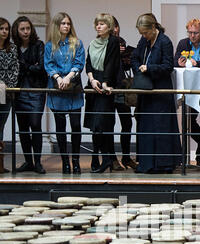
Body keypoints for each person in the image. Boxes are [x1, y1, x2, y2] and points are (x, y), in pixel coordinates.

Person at [131, 13, 181, 174]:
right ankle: (146, 164)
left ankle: (164, 164)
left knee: (161, 127)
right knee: (146, 127)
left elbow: (168, 66)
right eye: (141, 33)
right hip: (147, 90)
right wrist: (139, 67)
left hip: (161, 91)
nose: (144, 36)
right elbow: (134, 58)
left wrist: (149, 68)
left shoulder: (165, 42)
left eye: (145, 32)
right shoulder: (143, 41)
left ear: (153, 28)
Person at [44, 12, 85, 174]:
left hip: (73, 88)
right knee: (60, 128)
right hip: (57, 89)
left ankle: (76, 161)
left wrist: (67, 77)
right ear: (57, 25)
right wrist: (58, 78)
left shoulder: (77, 43)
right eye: (63, 23)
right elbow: (48, 64)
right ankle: (65, 162)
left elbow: (79, 63)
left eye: (68, 23)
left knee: (76, 126)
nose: (66, 26)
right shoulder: (49, 45)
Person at [174, 19, 200, 168]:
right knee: (194, 127)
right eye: (190, 32)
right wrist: (178, 63)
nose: (192, 36)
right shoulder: (182, 43)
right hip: (189, 89)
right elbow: (174, 61)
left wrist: (197, 63)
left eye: (195, 33)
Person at [84, 13, 120, 173]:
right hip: (93, 83)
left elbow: (111, 63)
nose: (99, 27)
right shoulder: (93, 43)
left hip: (106, 84)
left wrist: (105, 82)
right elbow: (88, 64)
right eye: (97, 24)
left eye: (102, 24)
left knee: (102, 124)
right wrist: (92, 79)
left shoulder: (112, 41)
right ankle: (95, 158)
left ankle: (106, 159)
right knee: (94, 126)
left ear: (109, 27)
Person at [12, 16, 47, 174]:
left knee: (36, 125)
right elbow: (14, 70)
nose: (26, 32)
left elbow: (41, 69)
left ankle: (38, 162)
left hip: (36, 92)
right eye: (22, 29)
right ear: (17, 31)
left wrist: (23, 65)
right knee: (23, 128)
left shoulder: (39, 45)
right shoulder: (13, 48)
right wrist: (30, 66)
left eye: (28, 28)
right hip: (19, 93)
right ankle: (28, 161)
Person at [112, 16, 136, 170]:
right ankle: (112, 159)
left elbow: (126, 68)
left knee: (127, 123)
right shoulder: (100, 44)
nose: (115, 29)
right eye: (112, 26)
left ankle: (126, 157)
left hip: (122, 88)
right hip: (107, 89)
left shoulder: (121, 42)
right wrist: (115, 53)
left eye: (117, 26)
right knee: (108, 124)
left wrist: (126, 57)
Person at [0, 18, 19, 173]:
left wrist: (8, 86)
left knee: (1, 125)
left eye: (6, 29)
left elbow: (15, 69)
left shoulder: (12, 48)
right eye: (1, 28)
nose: (4, 31)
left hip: (6, 93)